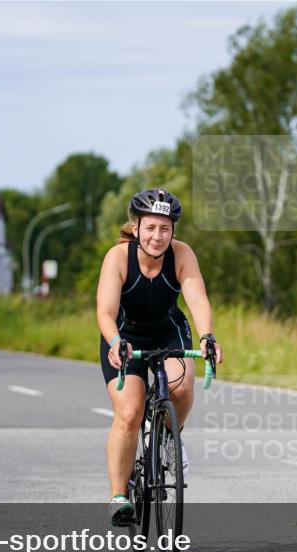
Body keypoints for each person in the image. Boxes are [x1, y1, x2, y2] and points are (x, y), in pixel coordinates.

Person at [96, 188, 224, 526]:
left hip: (168, 330)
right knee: (129, 412)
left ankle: (168, 438)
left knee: (181, 388)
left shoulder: (181, 254)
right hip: (124, 336)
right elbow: (105, 312)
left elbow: (197, 300)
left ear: (173, 231)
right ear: (136, 227)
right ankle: (119, 497)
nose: (157, 236)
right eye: (150, 227)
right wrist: (115, 342)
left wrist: (207, 336)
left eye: (165, 228)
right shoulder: (118, 257)